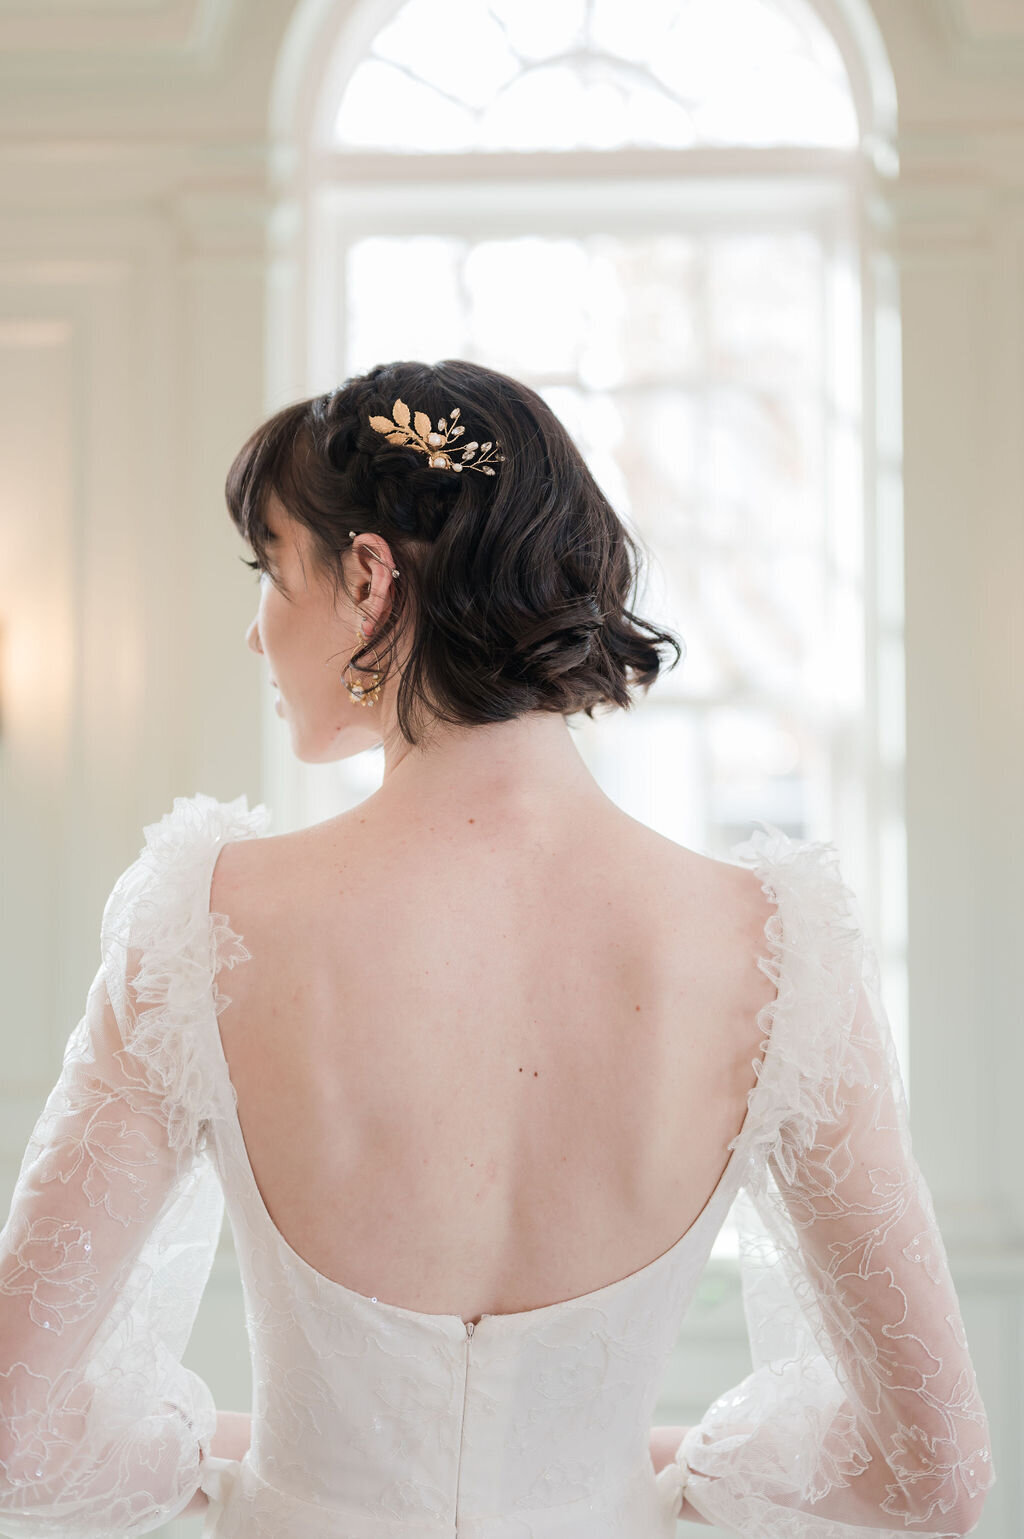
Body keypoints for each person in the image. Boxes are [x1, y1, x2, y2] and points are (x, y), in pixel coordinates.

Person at [0, 358, 994, 1538]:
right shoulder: (773, 952)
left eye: (271, 570)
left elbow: (15, 1431)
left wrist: (289, 1469)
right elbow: (932, 1476)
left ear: (368, 579)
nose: (258, 631)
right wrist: (616, 1476)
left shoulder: (203, 920)